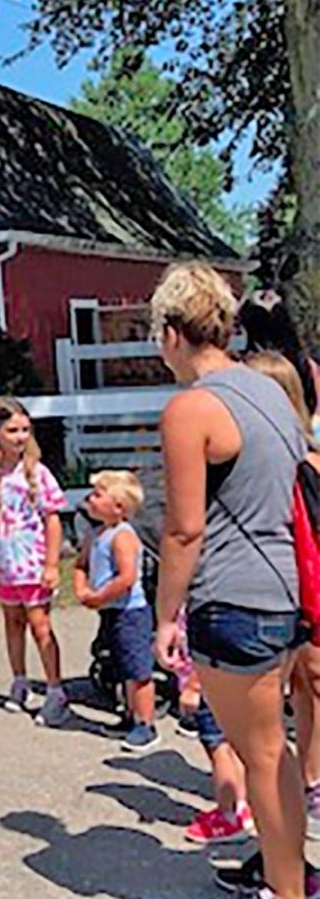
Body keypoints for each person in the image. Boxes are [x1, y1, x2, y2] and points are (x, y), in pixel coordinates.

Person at [151, 263, 310, 899]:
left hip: (231, 598)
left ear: (170, 332)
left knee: (263, 757)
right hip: (285, 588)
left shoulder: (192, 409)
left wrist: (166, 616)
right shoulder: (269, 389)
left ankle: (288, 886)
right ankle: (290, 876)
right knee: (277, 755)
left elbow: (184, 529)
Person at [247, 350, 320, 843]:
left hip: (309, 587)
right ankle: (293, 784)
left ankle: (313, 778)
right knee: (284, 690)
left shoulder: (309, 460)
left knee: (313, 679)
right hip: (267, 589)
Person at [0, 396, 69, 727]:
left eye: (25, 430)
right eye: (12, 430)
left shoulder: (37, 473)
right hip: (5, 563)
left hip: (33, 562)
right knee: (12, 622)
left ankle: (55, 689)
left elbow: (52, 517)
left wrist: (52, 564)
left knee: (40, 624)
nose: (20, 437)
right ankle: (19, 680)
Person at [74, 470, 160, 752]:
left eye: (98, 495)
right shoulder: (95, 533)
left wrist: (99, 596)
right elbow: (81, 564)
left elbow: (126, 577)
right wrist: (82, 589)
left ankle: (146, 723)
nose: (91, 499)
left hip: (130, 612)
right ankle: (129, 714)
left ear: (119, 507)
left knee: (138, 668)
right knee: (121, 665)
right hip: (110, 611)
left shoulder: (123, 536)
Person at [173, 611, 254, 844]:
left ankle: (228, 816)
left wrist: (194, 687)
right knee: (230, 746)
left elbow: (207, 646)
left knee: (217, 748)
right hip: (229, 679)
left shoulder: (204, 603)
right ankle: (240, 805)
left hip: (208, 686)